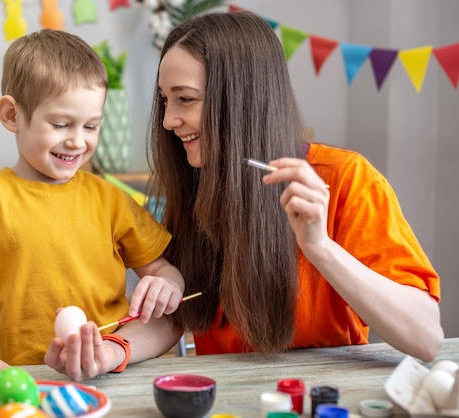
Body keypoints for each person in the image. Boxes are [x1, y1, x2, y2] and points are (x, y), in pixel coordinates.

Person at [44, 11, 443, 381]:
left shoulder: (347, 180)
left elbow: (425, 337)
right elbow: (177, 315)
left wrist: (320, 247)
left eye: (185, 99)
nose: (168, 121)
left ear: (241, 98)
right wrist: (112, 352)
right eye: (165, 100)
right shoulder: (193, 182)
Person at [0, 29, 184, 386]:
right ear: (12, 115)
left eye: (91, 126)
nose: (77, 140)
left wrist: (168, 282)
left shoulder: (111, 199)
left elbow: (162, 269)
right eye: (60, 124)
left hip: (118, 371)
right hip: (31, 380)